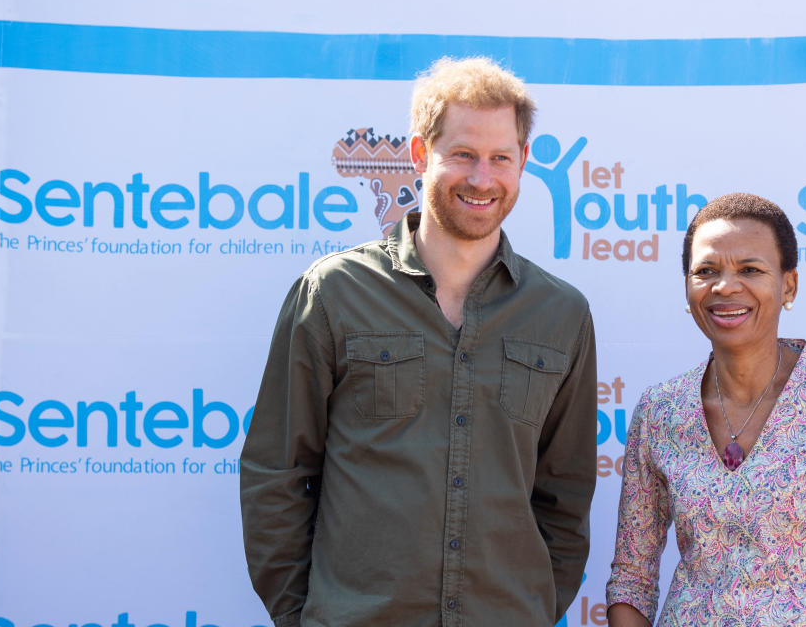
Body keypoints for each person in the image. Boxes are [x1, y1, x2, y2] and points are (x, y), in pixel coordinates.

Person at [241, 56, 597, 627]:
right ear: (418, 154)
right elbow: (276, 472)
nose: (482, 178)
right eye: (462, 154)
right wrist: (302, 615)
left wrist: (534, 609)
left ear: (523, 162)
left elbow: (566, 495)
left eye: (500, 158)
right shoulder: (334, 293)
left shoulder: (561, 314)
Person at [606, 193, 806, 626]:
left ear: (789, 285)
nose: (725, 287)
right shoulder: (660, 410)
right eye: (705, 271)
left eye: (750, 270)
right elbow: (631, 579)